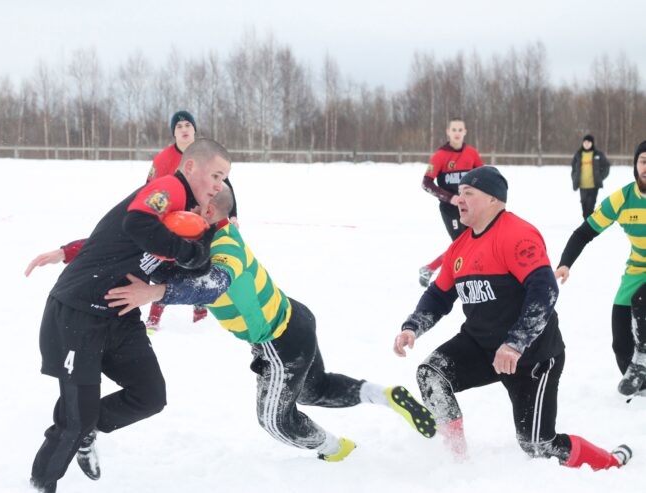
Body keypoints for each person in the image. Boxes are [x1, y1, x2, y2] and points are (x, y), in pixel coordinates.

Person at [102, 184, 436, 463]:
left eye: (192, 205)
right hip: (294, 317)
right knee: (315, 390)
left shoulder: (224, 245)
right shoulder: (211, 235)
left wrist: (154, 292)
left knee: (275, 421)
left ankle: (339, 452)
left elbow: (212, 282)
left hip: (279, 342)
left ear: (206, 213)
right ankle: (386, 395)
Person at [26, 139, 231, 493]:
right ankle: (41, 484)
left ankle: (87, 430)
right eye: (215, 175)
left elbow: (121, 244)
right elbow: (136, 223)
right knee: (75, 420)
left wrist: (195, 257)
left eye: (224, 179)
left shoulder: (189, 222)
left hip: (121, 315)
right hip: (79, 313)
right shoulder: (169, 187)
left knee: (150, 395)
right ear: (191, 166)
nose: (218, 185)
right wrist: (188, 253)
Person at [394, 166, 631, 470]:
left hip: (532, 355)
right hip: (483, 346)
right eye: (459, 193)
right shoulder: (459, 247)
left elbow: (544, 291)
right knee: (432, 375)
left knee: (538, 444)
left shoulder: (517, 234)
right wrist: (412, 327)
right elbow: (439, 296)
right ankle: (455, 459)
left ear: (495, 200)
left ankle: (611, 462)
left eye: (469, 193)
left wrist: (515, 344)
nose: (458, 199)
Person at [556, 140, 646, 398]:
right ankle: (642, 390)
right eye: (643, 161)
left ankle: (643, 355)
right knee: (620, 340)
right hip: (637, 269)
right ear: (635, 166)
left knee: (642, 302)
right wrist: (565, 263)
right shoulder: (623, 199)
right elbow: (585, 232)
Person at [144, 110, 238, 333]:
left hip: (203, 220)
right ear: (174, 133)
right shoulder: (163, 159)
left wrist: (232, 215)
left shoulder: (207, 154)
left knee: (200, 264)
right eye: (179, 126)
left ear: (194, 129)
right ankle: (154, 316)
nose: (184, 129)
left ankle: (200, 314)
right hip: (174, 221)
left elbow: (226, 187)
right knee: (167, 266)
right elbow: (148, 189)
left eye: (188, 124)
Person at [418, 117, 483, 287]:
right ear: (448, 132)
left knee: (473, 240)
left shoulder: (472, 153)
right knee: (462, 243)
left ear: (465, 132)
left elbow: (483, 177)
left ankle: (433, 269)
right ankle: (436, 271)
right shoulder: (440, 156)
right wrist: (450, 198)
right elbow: (426, 183)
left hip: (470, 207)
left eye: (460, 130)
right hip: (450, 209)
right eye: (453, 130)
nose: (457, 133)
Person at [570, 134, 611, 219]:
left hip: (593, 186)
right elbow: (573, 168)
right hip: (582, 185)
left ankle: (589, 225)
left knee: (590, 206)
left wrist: (601, 177)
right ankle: (587, 223)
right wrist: (574, 178)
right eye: (585, 142)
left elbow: (606, 166)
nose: (586, 144)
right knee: (584, 206)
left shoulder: (598, 154)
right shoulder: (578, 154)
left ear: (592, 143)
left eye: (588, 142)